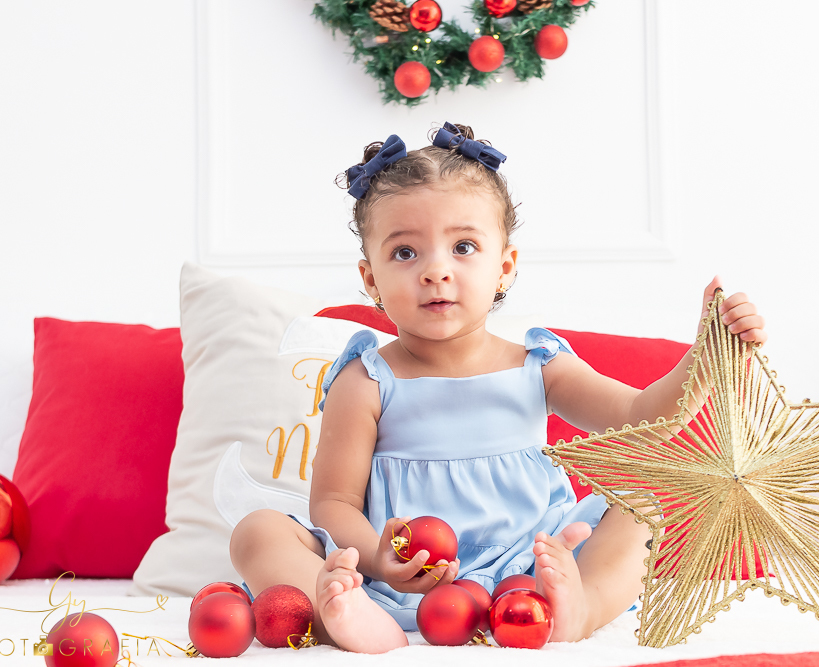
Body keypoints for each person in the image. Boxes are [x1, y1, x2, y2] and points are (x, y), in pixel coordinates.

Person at [229, 122, 767, 653]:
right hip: (399, 570)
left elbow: (639, 414)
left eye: (463, 247)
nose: (436, 271)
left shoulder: (540, 365)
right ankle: (346, 617)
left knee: (642, 507)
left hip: (531, 566)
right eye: (405, 253)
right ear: (370, 279)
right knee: (257, 530)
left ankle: (580, 608)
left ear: (504, 266)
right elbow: (335, 501)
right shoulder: (367, 379)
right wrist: (377, 560)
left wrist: (708, 358)